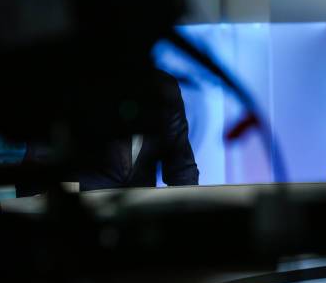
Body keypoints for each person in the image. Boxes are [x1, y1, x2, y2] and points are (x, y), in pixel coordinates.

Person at [16, 71, 198, 195]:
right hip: (79, 225)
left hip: (140, 226)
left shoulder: (164, 87)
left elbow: (181, 170)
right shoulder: (66, 87)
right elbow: (38, 169)